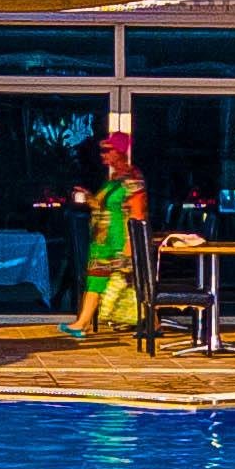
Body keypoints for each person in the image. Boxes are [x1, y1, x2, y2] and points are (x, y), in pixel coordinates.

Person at [71, 131, 147, 338]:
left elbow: (137, 213)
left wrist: (131, 243)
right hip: (103, 240)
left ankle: (152, 323)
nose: (103, 155)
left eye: (107, 150)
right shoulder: (113, 179)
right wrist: (90, 199)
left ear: (119, 152)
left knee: (130, 285)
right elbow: (104, 207)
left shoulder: (132, 178)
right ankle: (82, 323)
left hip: (119, 239)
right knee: (96, 279)